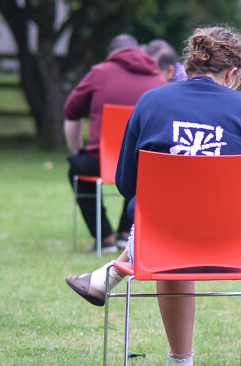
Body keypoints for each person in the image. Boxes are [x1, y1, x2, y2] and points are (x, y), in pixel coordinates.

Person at [66, 26, 241, 366]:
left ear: (187, 65)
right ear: (234, 73)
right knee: (180, 228)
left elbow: (126, 185)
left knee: (171, 230)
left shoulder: (150, 102)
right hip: (239, 246)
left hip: (164, 244)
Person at [64, 33, 165, 252]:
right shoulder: (158, 80)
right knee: (137, 176)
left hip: (100, 159)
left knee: (77, 168)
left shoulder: (99, 73)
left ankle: (104, 237)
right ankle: (124, 232)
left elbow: (71, 111)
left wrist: (77, 152)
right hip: (144, 162)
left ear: (112, 54)